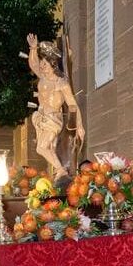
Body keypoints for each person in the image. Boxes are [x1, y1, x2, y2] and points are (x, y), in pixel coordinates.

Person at [26, 33, 86, 180]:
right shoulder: (43, 77)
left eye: (45, 64)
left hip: (53, 119)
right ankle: (59, 172)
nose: (42, 67)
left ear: (53, 64)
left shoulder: (61, 83)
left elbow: (72, 104)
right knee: (51, 149)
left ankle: (61, 169)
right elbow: (33, 64)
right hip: (41, 117)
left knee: (41, 148)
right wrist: (33, 49)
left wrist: (79, 125)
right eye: (42, 64)